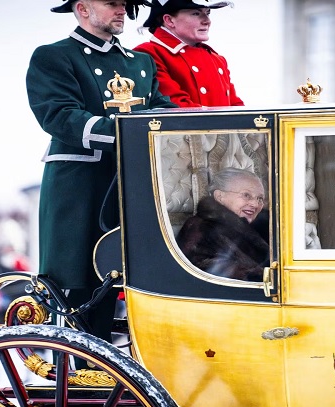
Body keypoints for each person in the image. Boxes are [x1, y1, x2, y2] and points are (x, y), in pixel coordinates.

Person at [26, 0, 176, 344]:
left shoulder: (140, 62)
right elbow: (59, 116)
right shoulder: (55, 56)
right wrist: (130, 133)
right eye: (111, 3)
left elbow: (162, 111)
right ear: (83, 8)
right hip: (83, 190)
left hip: (136, 185)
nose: (121, 10)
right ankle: (80, 380)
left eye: (123, 4)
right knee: (83, 290)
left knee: (141, 281)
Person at [134, 0, 243, 107]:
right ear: (169, 20)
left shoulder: (217, 59)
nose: (207, 21)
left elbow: (235, 105)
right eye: (196, 13)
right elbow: (174, 105)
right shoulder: (148, 54)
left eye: (207, 13)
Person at [175, 167, 268, 281]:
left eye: (260, 198)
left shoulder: (262, 226)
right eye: (246, 195)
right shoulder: (202, 229)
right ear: (219, 197)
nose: (255, 204)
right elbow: (218, 277)